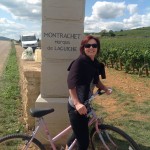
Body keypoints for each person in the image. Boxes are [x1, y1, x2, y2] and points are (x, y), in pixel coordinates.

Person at [66, 35, 112, 150]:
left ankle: (67, 147)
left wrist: (105, 89)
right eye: (88, 45)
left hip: (85, 104)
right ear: (83, 47)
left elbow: (96, 81)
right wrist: (77, 103)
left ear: (98, 48)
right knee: (84, 143)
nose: (91, 48)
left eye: (94, 45)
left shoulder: (94, 63)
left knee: (78, 133)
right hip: (76, 108)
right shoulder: (79, 62)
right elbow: (71, 83)